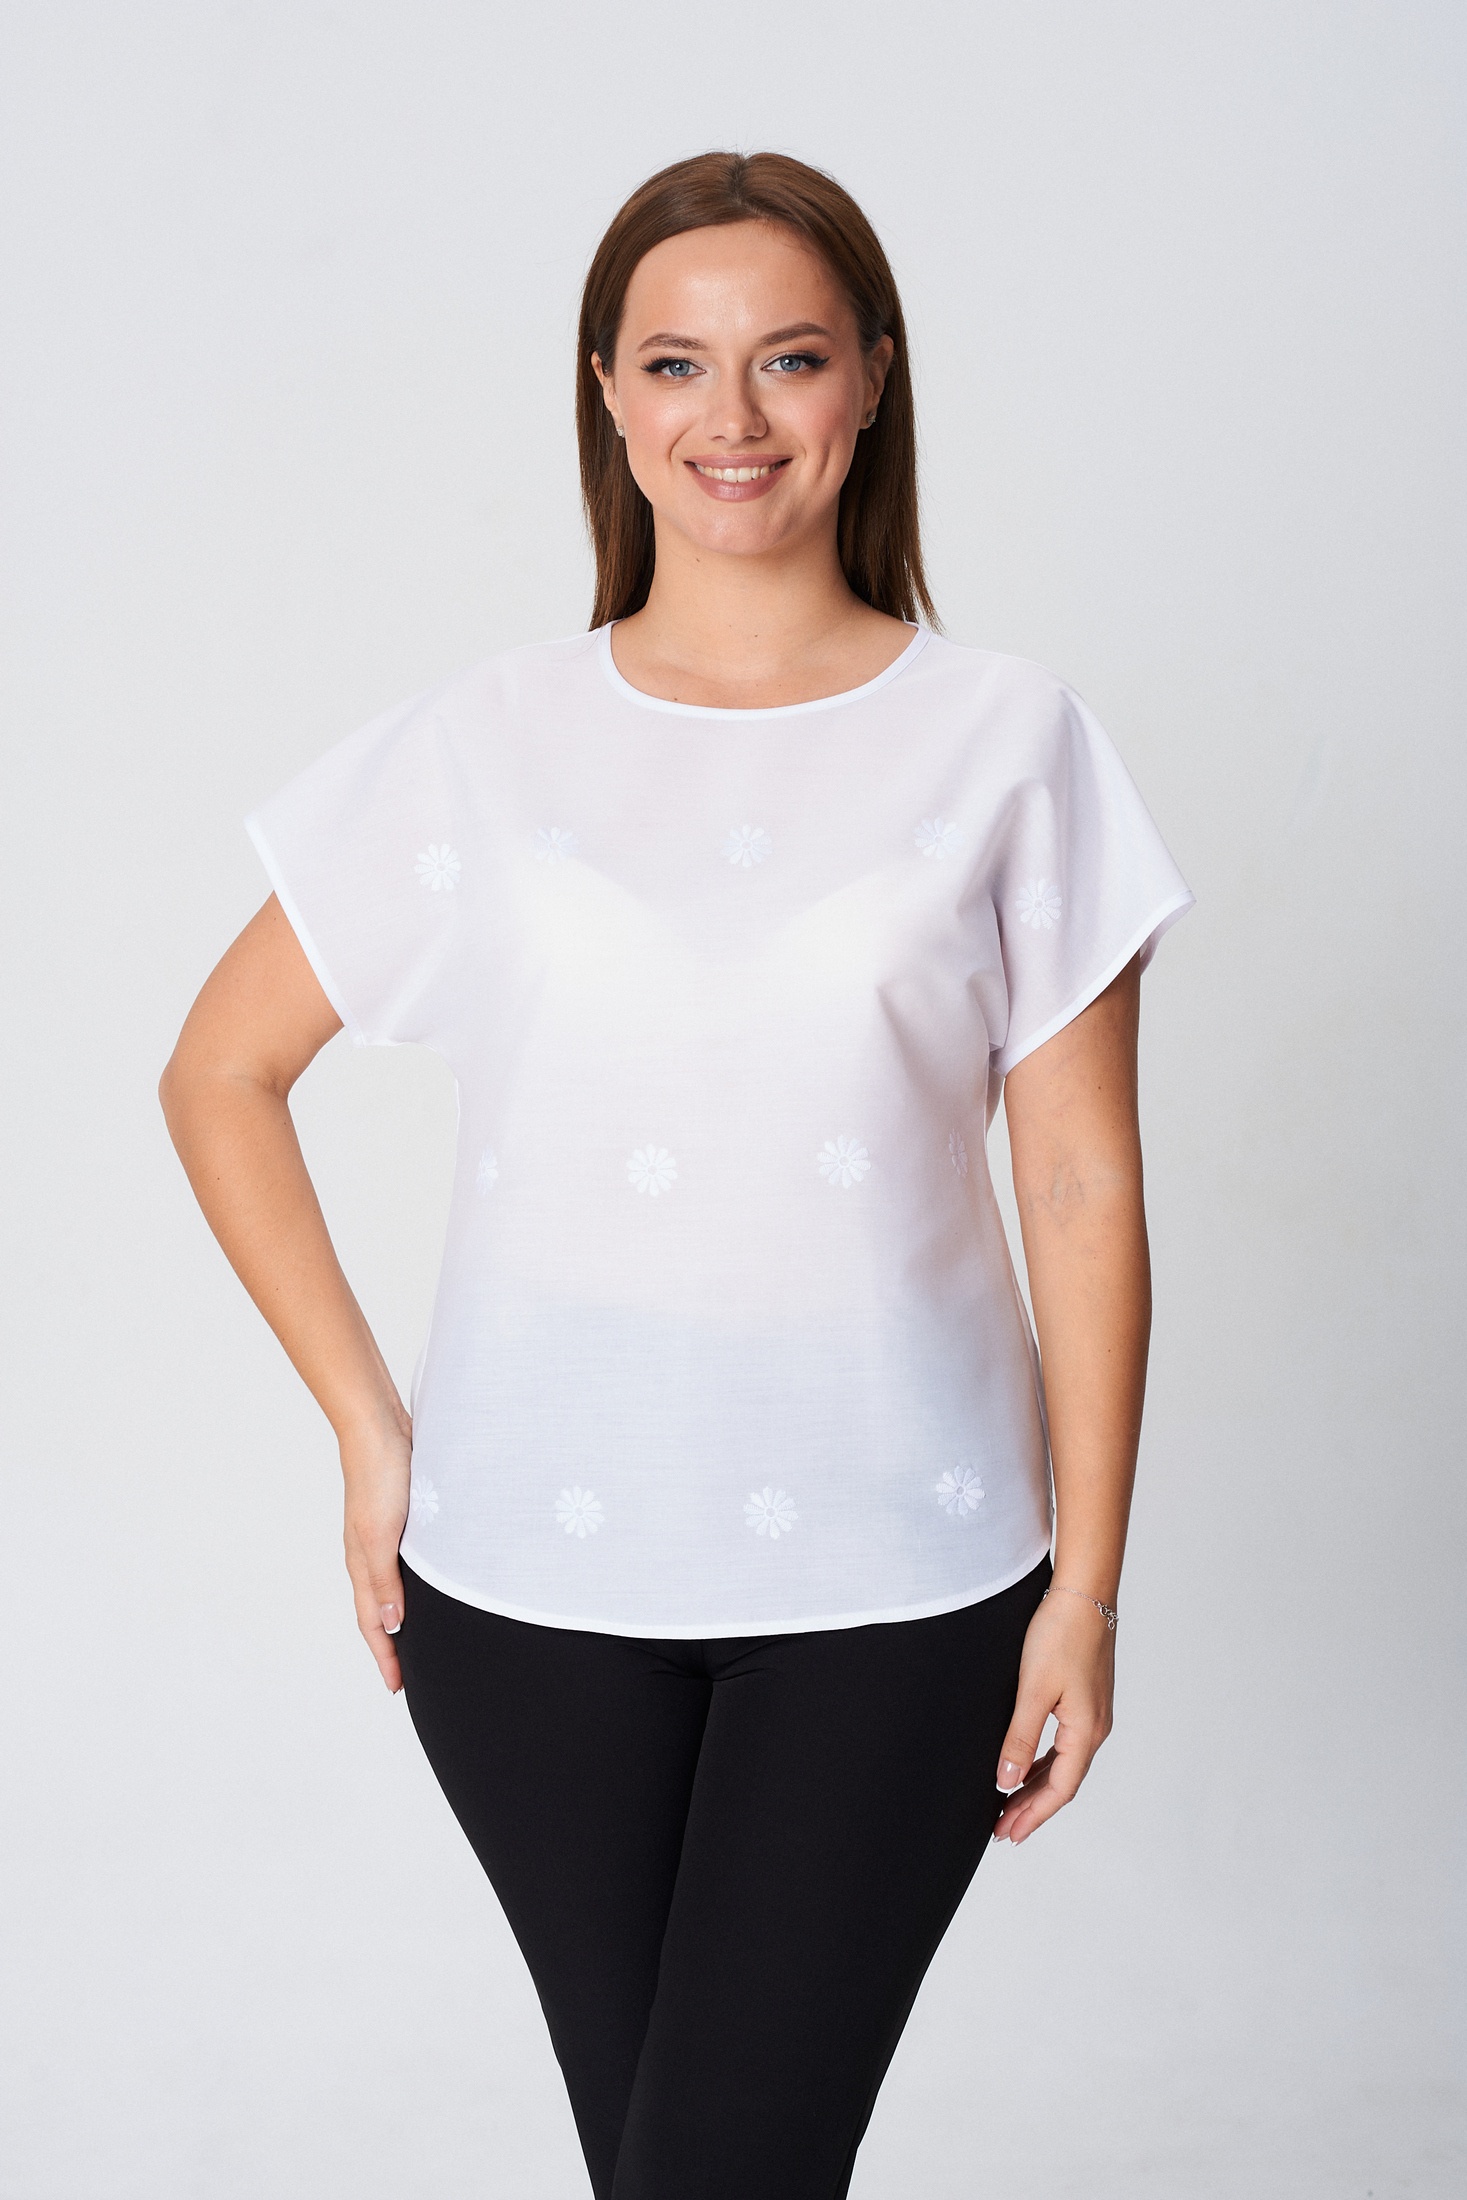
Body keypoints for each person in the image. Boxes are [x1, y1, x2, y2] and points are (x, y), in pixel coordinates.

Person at [160, 150, 1192, 2200]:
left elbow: (1080, 1187)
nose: (733, 416)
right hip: (525, 1586)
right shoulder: (487, 741)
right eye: (675, 364)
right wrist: (371, 1428)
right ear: (608, 397)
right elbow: (220, 1071)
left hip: (907, 1581)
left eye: (788, 358)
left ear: (871, 381)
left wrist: (1084, 1584)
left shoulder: (1009, 740)